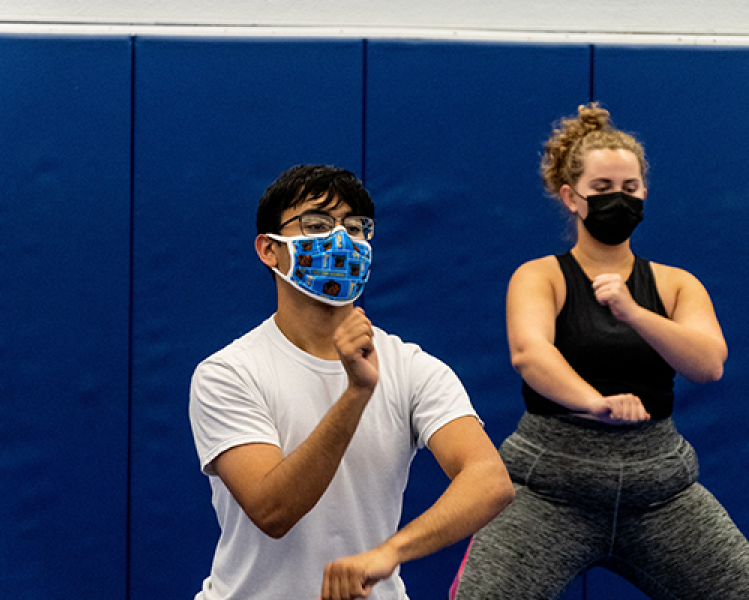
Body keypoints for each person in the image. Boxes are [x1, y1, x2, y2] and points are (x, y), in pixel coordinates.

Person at [450, 104, 749, 599]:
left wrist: (633, 312)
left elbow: (708, 362)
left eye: (629, 189)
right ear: (572, 197)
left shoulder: (674, 284)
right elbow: (530, 353)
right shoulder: (540, 276)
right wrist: (594, 402)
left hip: (659, 493)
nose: (618, 200)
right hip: (549, 489)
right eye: (602, 190)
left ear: (644, 193)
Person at [189, 164, 514, 600]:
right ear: (269, 249)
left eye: (357, 227)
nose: (341, 240)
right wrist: (357, 393)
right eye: (317, 224)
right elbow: (273, 511)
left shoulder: (413, 366)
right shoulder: (228, 373)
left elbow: (490, 481)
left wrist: (391, 552)